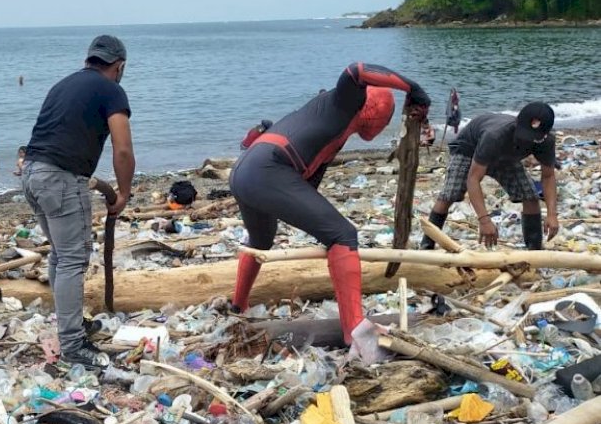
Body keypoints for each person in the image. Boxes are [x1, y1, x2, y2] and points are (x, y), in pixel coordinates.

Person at [230, 63, 430, 345]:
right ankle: (355, 331)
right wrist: (414, 89)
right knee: (343, 235)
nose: (383, 126)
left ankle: (237, 306)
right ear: (373, 110)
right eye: (386, 118)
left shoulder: (330, 125)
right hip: (267, 168)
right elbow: (356, 71)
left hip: (244, 170)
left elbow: (306, 188)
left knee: (261, 240)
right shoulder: (345, 103)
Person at [22, 35, 134, 371]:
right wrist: (124, 192)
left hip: (31, 173)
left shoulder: (62, 85)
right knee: (72, 258)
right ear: (119, 66)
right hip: (60, 177)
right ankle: (72, 344)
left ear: (89, 59)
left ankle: (70, 324)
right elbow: (123, 148)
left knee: (60, 253)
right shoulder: (111, 89)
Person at [419, 102, 559, 251]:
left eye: (534, 138)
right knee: (450, 194)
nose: (528, 140)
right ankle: (427, 244)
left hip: (506, 156)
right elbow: (473, 179)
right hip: (469, 149)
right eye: (525, 135)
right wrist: (484, 220)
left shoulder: (546, 142)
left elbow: (548, 177)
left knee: (530, 196)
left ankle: (534, 249)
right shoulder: (495, 135)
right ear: (517, 122)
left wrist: (552, 214)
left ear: (545, 134)